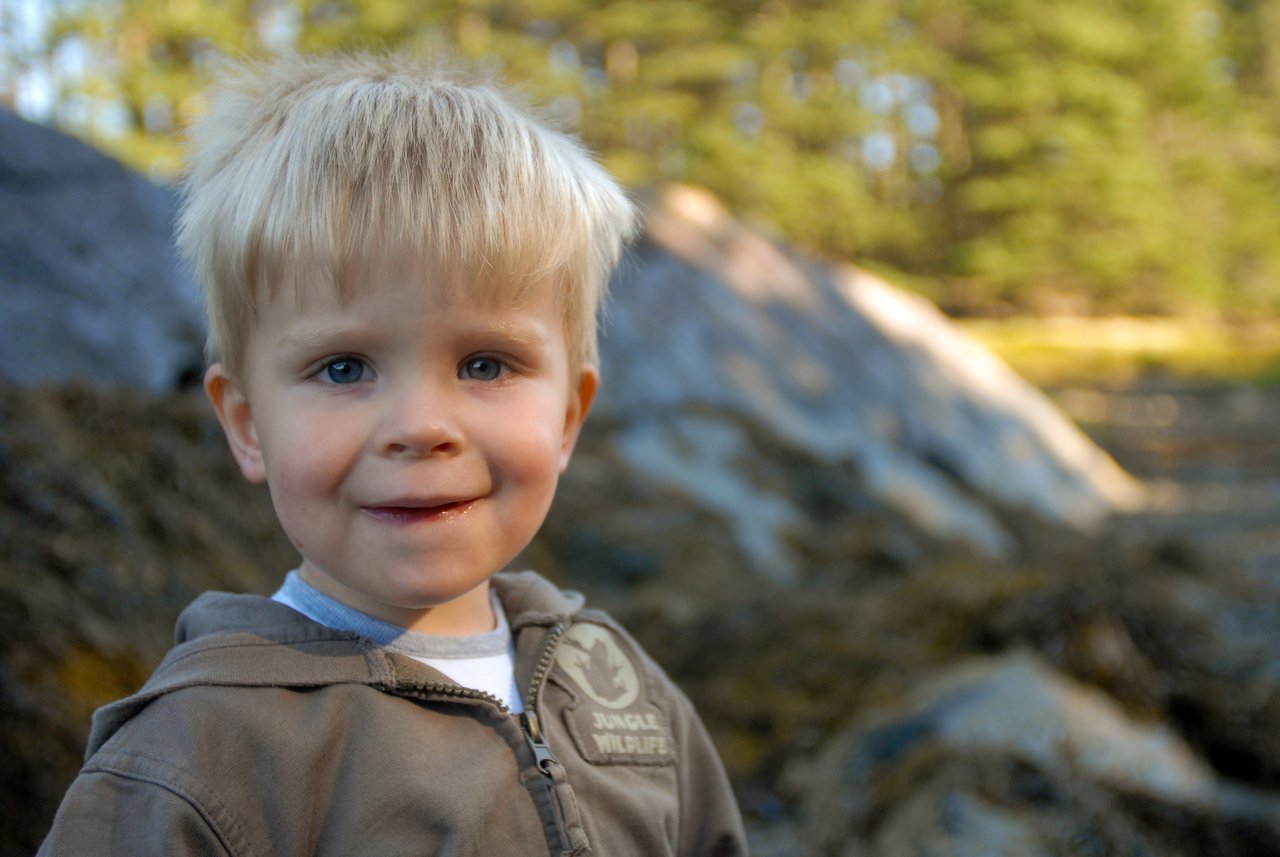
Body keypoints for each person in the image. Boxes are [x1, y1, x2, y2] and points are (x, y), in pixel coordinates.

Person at [39, 52, 746, 856]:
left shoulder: (623, 695)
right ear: (245, 423)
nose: (419, 424)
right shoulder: (196, 760)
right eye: (344, 367)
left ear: (568, 416)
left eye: (485, 364)